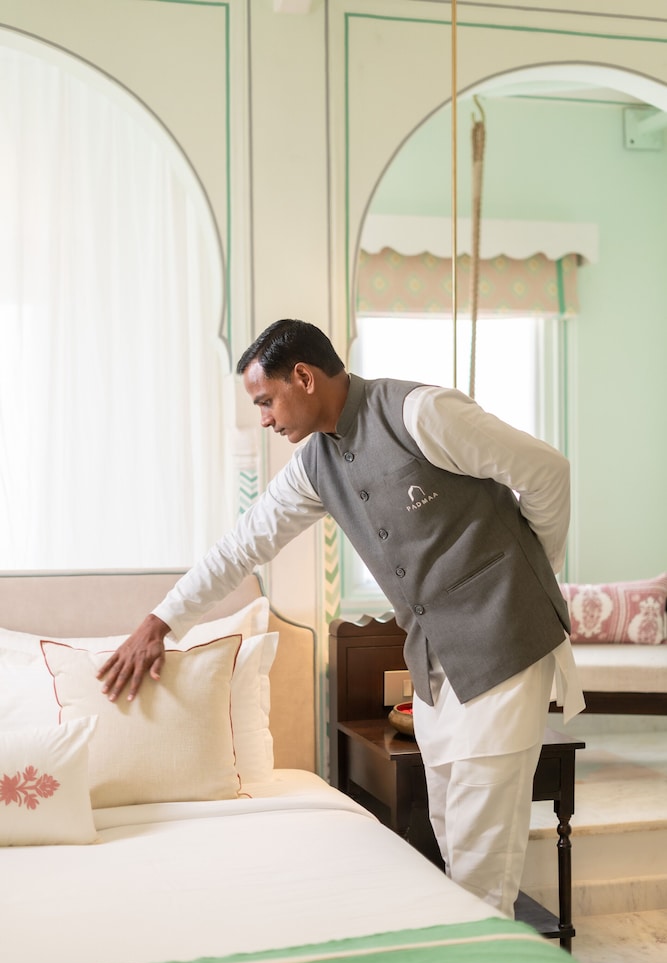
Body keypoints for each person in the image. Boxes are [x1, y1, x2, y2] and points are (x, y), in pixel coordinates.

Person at [97, 317, 584, 917]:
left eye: (266, 400)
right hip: (434, 667)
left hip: (506, 645)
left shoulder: (421, 413)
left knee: (483, 863)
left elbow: (547, 472)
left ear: (303, 377)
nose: (264, 419)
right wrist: (160, 623)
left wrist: (536, 571)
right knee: (453, 840)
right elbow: (241, 547)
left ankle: (491, 959)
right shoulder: (313, 466)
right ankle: (475, 953)